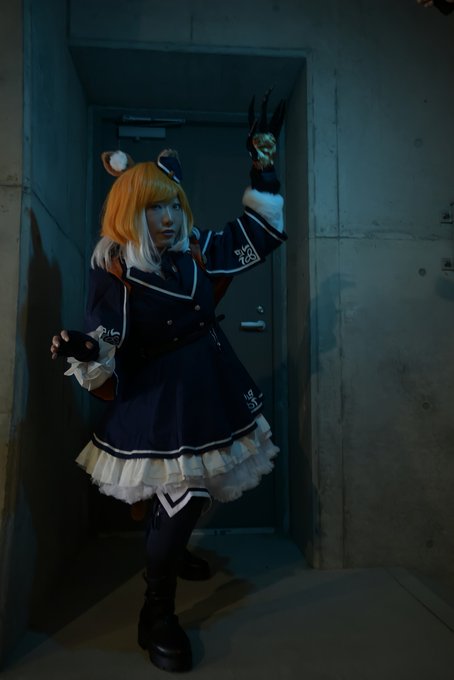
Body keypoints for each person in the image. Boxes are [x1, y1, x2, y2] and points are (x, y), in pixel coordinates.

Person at [50, 92, 286, 673]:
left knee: (193, 490)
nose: (169, 218)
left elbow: (257, 234)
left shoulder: (195, 249)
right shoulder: (115, 267)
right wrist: (83, 349)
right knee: (181, 496)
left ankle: (171, 556)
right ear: (129, 211)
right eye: (155, 208)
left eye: (174, 206)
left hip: (210, 383)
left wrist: (263, 167)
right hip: (159, 396)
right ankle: (156, 612)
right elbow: (105, 340)